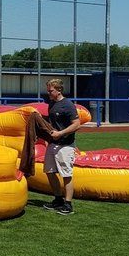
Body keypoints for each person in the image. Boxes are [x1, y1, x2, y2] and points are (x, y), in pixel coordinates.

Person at [40, 78, 80, 215]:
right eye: (48, 90)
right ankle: (58, 199)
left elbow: (76, 124)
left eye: (50, 90)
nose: (48, 93)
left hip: (66, 145)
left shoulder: (67, 105)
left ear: (59, 90)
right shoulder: (51, 104)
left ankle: (68, 204)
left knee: (66, 174)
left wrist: (60, 133)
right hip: (53, 144)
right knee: (50, 172)